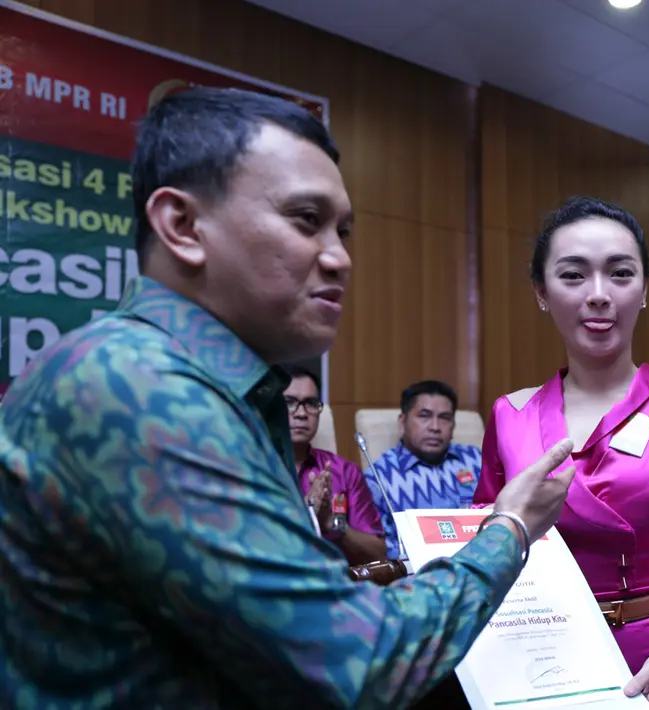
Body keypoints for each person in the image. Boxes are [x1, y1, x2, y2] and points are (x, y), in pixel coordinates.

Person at [0, 86, 578, 708]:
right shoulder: (137, 387)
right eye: (306, 220)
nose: (340, 258)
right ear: (183, 226)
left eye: (343, 231)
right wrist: (511, 529)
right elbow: (360, 661)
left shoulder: (200, 381)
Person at [473, 196, 649, 710]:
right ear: (541, 292)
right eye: (573, 275)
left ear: (645, 290)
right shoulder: (510, 415)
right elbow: (490, 538)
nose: (599, 295)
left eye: (621, 274)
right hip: (543, 656)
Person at [365, 379, 484, 560]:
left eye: (444, 418)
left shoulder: (475, 460)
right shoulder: (379, 478)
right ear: (402, 422)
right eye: (424, 416)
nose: (435, 427)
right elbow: (384, 550)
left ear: (453, 425)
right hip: (418, 572)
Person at [284, 365, 386, 564]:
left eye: (310, 403)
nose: (301, 413)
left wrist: (332, 523)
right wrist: (304, 514)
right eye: (289, 402)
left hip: (335, 578)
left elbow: (377, 554)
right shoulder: (253, 466)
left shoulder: (344, 471)